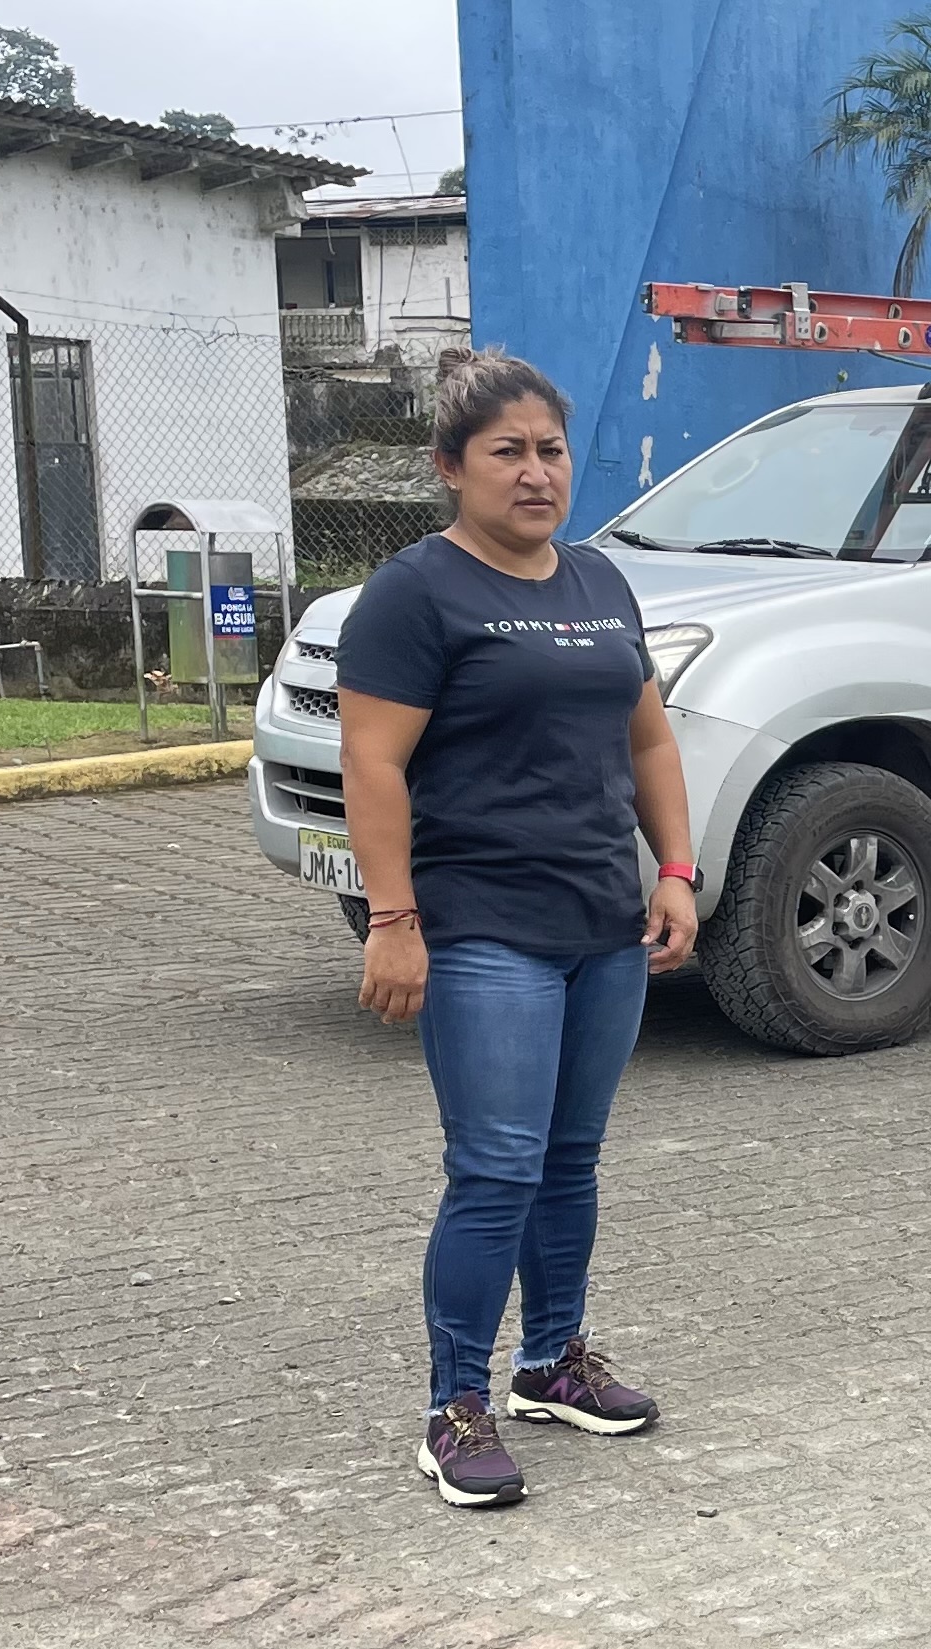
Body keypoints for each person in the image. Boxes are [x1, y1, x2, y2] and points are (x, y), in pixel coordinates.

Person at [335, 352, 702, 1509]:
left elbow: (648, 739)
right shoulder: (415, 593)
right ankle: (455, 1407)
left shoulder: (599, 582)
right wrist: (394, 919)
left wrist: (676, 871)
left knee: (569, 1161)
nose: (537, 472)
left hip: (603, 923)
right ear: (451, 467)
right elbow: (372, 765)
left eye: (551, 449)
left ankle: (550, 1363)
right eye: (508, 452)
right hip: (483, 927)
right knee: (495, 1169)